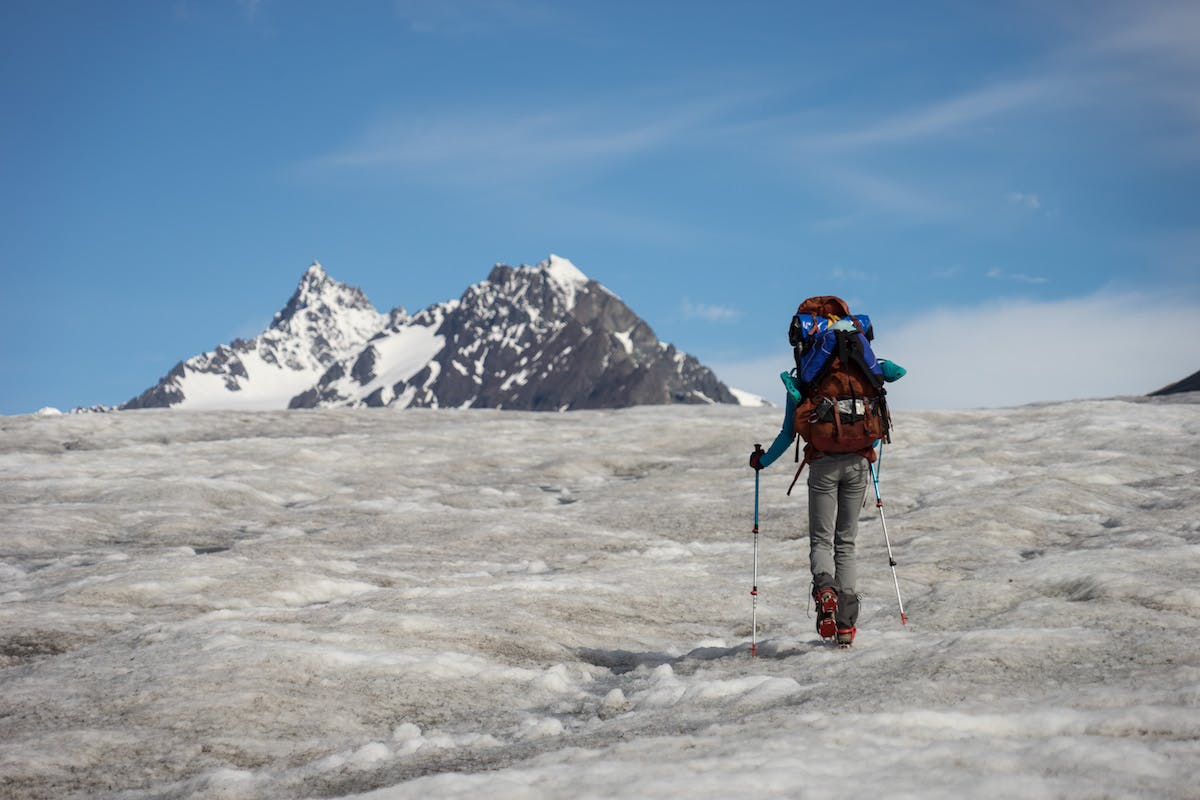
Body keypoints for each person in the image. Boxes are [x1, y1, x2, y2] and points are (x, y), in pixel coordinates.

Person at [749, 297, 905, 647]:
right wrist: (871, 363)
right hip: (858, 464)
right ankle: (847, 627)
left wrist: (761, 462)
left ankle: (826, 595)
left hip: (822, 465)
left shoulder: (805, 378)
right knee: (845, 542)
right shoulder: (865, 372)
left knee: (821, 540)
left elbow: (788, 434)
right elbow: (897, 375)